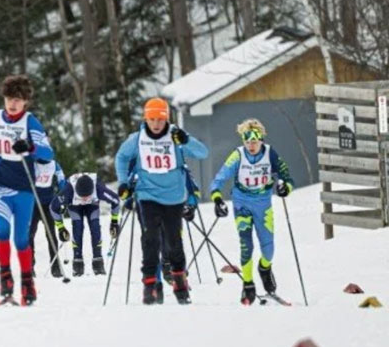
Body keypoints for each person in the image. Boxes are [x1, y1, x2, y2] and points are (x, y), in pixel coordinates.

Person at [114, 97, 208, 305]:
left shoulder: (175, 136)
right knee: (150, 239)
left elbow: (202, 152)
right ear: (146, 119)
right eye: (152, 119)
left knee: (173, 242)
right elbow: (121, 157)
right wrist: (123, 182)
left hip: (174, 197)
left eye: (160, 119)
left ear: (167, 118)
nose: (156, 124)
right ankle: (150, 284)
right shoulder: (137, 139)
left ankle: (180, 282)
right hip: (147, 194)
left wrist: (186, 141)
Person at [0, 75, 54, 305]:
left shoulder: (30, 122)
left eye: (17, 99)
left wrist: (30, 147)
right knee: (2, 230)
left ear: (25, 101)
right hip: (1, 186)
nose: (12, 104)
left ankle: (27, 284)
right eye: (9, 98)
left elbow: (48, 153)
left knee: (20, 239)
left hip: (25, 189)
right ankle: (5, 281)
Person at [209, 118, 294, 305]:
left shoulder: (270, 153)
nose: (251, 146)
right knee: (246, 245)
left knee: (268, 249)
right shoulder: (238, 155)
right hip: (242, 204)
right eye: (247, 142)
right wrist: (217, 198)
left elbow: (287, 176)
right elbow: (218, 179)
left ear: (261, 140)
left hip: (263, 205)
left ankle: (264, 268)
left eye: (254, 141)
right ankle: (248, 283)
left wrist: (285, 187)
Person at [49, 173, 121, 276]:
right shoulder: (68, 191)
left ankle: (98, 261)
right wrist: (61, 228)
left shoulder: (99, 189)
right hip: (74, 205)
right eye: (82, 196)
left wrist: (114, 222)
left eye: (87, 196)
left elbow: (116, 200)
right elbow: (53, 207)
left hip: (92, 204)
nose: (84, 199)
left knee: (95, 226)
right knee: (77, 227)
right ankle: (77, 262)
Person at [29, 158, 66, 277]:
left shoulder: (54, 164)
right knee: (29, 235)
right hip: (33, 204)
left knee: (51, 234)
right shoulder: (31, 163)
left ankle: (55, 267)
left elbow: (62, 181)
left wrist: (62, 199)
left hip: (48, 203)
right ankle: (29, 266)